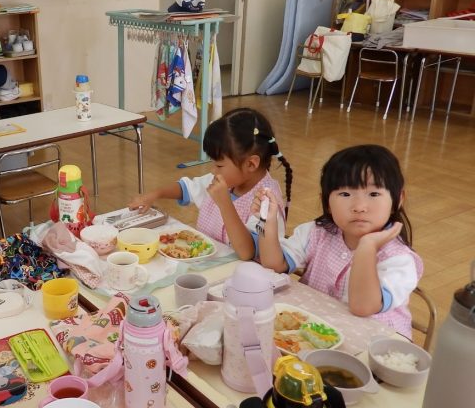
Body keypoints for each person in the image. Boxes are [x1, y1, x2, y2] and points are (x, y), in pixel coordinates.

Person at [256, 144, 422, 337]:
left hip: (373, 346)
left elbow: (362, 307)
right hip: (314, 333)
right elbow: (274, 264)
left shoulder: (398, 259)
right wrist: (266, 222)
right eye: (345, 194)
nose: (359, 206)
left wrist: (367, 247)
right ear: (326, 201)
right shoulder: (317, 232)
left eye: (374, 194)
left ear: (398, 199)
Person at [128, 107, 293, 260]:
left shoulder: (266, 203)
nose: (214, 171)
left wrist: (225, 204)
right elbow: (186, 188)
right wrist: (155, 195)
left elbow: (247, 252)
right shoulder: (226, 180)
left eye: (219, 165)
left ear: (251, 164)